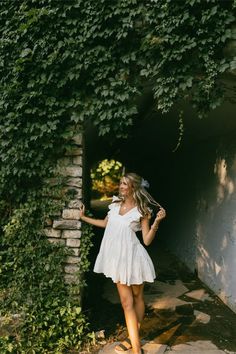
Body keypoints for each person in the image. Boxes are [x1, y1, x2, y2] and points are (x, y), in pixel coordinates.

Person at [79, 172, 166, 354]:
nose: (121, 186)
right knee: (127, 304)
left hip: (134, 258)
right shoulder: (115, 204)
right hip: (117, 260)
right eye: (120, 183)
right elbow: (105, 224)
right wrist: (83, 217)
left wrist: (156, 221)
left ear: (133, 187)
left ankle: (132, 337)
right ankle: (136, 349)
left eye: (124, 184)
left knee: (137, 298)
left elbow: (147, 240)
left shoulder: (142, 210)